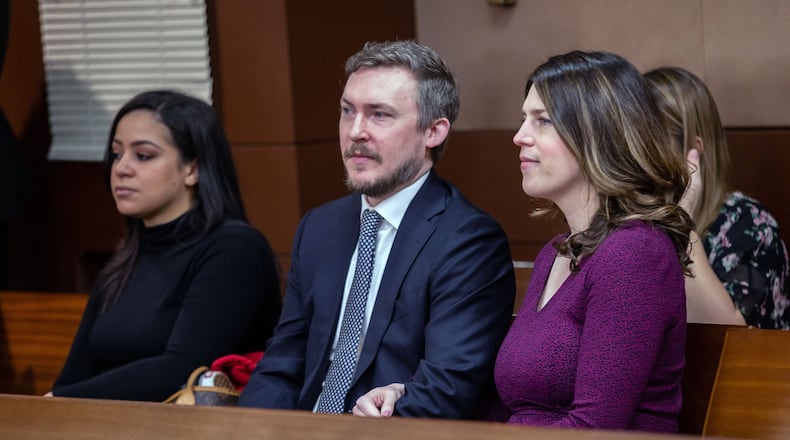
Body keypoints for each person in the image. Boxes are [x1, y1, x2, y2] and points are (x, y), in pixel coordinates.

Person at [354, 51, 694, 432]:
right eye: (523, 119)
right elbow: (514, 407)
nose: (519, 136)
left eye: (543, 121)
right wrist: (407, 393)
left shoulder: (635, 254)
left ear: (598, 134)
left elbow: (595, 427)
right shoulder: (557, 252)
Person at [238, 40, 516, 418]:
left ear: (433, 132)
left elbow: (447, 388)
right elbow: (284, 360)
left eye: (379, 115)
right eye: (346, 111)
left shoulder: (468, 240)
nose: (355, 132)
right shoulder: (319, 226)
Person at [48, 90, 282, 401]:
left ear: (192, 169)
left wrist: (64, 401)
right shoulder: (127, 256)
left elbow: (183, 369)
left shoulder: (234, 249)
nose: (121, 168)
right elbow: (74, 376)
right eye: (117, 154)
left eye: (143, 155)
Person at [645, 67, 790, 329]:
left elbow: (727, 332)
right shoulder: (637, 223)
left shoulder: (752, 226)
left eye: (648, 144)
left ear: (693, 152)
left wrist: (682, 224)